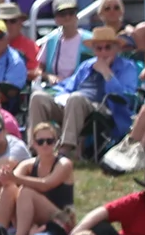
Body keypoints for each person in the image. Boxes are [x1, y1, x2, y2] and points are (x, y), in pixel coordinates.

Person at [26, 24, 136, 160]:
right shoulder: (87, 65)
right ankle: (35, 149)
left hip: (103, 107)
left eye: (108, 47)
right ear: (94, 50)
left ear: (116, 49)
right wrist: (54, 93)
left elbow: (125, 96)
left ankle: (65, 150)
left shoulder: (127, 67)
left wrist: (107, 74)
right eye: (99, 48)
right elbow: (68, 86)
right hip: (72, 105)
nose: (103, 52)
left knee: (76, 98)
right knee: (38, 97)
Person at [0, 119, 68, 235]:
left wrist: (14, 178)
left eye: (49, 141)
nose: (45, 145)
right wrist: (5, 176)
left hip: (60, 218)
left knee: (26, 192)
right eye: (40, 142)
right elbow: (12, 179)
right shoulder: (28, 164)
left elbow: (46, 184)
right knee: (9, 189)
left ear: (56, 143)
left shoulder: (63, 164)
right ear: (34, 144)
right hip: (35, 216)